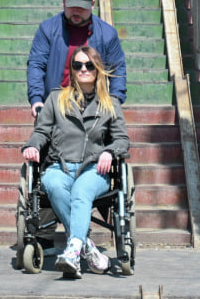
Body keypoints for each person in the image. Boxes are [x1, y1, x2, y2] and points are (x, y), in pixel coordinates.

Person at [22, 45, 130, 278]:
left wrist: (109, 152)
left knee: (81, 190)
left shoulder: (110, 103)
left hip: (94, 170)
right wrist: (32, 145)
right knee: (52, 184)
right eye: (78, 65)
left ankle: (72, 251)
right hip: (60, 166)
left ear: (98, 69)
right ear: (71, 70)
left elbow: (122, 139)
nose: (83, 69)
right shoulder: (55, 99)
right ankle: (84, 247)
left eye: (89, 65)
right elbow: (42, 132)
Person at [27, 0, 126, 117]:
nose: (77, 11)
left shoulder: (107, 34)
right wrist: (36, 99)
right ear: (63, 2)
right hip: (55, 106)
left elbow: (118, 70)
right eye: (72, 6)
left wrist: (115, 100)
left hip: (93, 108)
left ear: (92, 5)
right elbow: (36, 65)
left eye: (82, 7)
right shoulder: (48, 29)